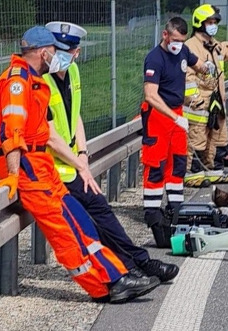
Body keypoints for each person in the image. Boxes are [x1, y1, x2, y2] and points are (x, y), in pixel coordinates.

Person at [0, 26, 158, 304]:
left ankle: (116, 276)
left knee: (80, 222)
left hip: (41, 166)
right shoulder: (18, 82)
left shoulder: (34, 81)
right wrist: (14, 175)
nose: (57, 56)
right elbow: (12, 133)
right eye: (53, 51)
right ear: (43, 52)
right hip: (29, 168)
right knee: (67, 231)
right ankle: (106, 285)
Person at [42, 21, 180, 284]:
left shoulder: (72, 73)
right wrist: (81, 165)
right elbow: (50, 136)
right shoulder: (42, 81)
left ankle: (136, 265)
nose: (59, 55)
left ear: (76, 53)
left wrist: (82, 152)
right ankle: (130, 268)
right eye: (56, 49)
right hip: (53, 167)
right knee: (93, 220)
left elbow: (75, 117)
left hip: (71, 163)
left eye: (66, 50)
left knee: (102, 212)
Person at [141, 16, 215, 243]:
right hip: (159, 116)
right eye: (174, 40)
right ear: (165, 35)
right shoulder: (155, 59)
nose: (178, 45)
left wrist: (207, 68)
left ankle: (176, 211)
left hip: (176, 115)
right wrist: (174, 116)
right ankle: (153, 215)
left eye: (181, 41)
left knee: (178, 164)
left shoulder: (181, 51)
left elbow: (197, 64)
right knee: (156, 166)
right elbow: (151, 96)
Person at [182, 4, 228, 187]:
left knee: (217, 140)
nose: (213, 25)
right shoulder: (191, 48)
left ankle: (213, 172)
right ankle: (194, 175)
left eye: (215, 22)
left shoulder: (214, 45)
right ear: (199, 23)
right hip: (199, 107)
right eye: (210, 22)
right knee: (197, 141)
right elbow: (187, 78)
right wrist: (196, 100)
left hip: (215, 104)